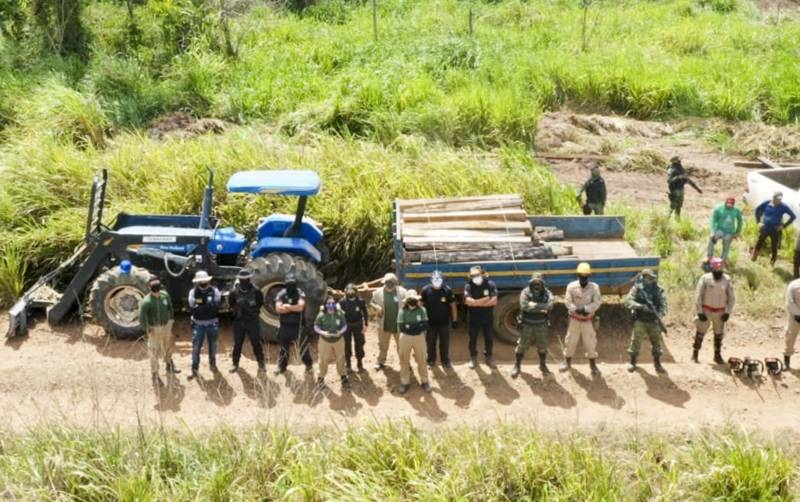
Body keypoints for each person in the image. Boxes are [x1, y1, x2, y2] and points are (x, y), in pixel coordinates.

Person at [561, 262, 602, 375]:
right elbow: (567, 301)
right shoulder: (571, 286)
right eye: (581, 275)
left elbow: (597, 302)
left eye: (586, 275)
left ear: (589, 275)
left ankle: (593, 365)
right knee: (570, 341)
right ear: (578, 275)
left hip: (588, 320)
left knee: (590, 343)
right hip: (574, 319)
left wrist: (586, 309)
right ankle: (567, 363)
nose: (583, 277)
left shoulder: (594, 287)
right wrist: (576, 309)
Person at [692, 257, 735, 364]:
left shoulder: (727, 280)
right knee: (700, 332)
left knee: (718, 334)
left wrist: (727, 312)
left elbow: (731, 298)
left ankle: (717, 355)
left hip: (720, 311)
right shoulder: (705, 278)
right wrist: (699, 311)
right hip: (706, 310)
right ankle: (695, 354)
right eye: (716, 269)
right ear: (712, 268)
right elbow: (698, 295)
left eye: (720, 269)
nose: (718, 271)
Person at [624, 269, 667, 374]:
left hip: (654, 320)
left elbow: (664, 306)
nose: (650, 280)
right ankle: (632, 362)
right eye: (648, 278)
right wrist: (641, 306)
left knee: (657, 343)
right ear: (643, 278)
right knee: (635, 341)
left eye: (652, 278)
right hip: (640, 319)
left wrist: (658, 314)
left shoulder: (659, 290)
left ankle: (657, 364)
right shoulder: (637, 288)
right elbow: (628, 301)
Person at [512, 273, 554, 378]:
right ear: (531, 282)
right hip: (527, 324)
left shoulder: (547, 293)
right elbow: (524, 306)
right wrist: (542, 308)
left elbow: (550, 306)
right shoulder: (525, 292)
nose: (537, 284)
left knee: (543, 346)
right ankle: (517, 365)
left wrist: (534, 305)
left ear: (542, 283)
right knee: (521, 346)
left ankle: (542, 365)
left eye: (539, 282)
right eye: (534, 282)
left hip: (541, 324)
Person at [139, 277, 179, 385]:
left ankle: (169, 365)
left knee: (168, 345)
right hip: (155, 328)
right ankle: (155, 375)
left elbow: (170, 307)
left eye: (157, 286)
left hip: (166, 326)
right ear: (150, 288)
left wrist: (171, 320)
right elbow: (142, 318)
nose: (156, 289)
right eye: (154, 287)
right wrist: (148, 328)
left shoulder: (165, 295)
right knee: (154, 351)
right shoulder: (146, 302)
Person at [228, 269, 265, 374]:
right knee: (237, 344)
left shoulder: (256, 291)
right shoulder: (234, 292)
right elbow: (231, 304)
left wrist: (251, 310)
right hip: (239, 322)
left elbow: (260, 302)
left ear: (249, 279)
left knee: (256, 343)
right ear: (239, 279)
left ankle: (261, 363)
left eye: (246, 279)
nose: (244, 281)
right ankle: (235, 364)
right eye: (242, 279)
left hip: (252, 321)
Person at [274, 273, 312, 375]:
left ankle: (309, 365)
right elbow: (278, 309)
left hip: (298, 327)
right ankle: (281, 367)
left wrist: (287, 306)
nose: (290, 285)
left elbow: (300, 307)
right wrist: (293, 308)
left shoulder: (300, 293)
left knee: (303, 348)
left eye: (292, 283)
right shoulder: (281, 294)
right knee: (283, 350)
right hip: (284, 327)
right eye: (289, 283)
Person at [420, 271, 457, 370]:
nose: (437, 280)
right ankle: (431, 360)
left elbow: (453, 306)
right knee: (430, 343)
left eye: (439, 278)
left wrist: (454, 320)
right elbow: (420, 305)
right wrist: (420, 320)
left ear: (442, 280)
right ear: (431, 279)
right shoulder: (425, 290)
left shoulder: (447, 290)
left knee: (444, 343)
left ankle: (445, 361)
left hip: (444, 323)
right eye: (435, 278)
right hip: (430, 323)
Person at [188, 270, 221, 379]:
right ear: (197, 282)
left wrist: (201, 307)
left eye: (204, 281)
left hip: (212, 324)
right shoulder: (192, 292)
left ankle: (213, 364)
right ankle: (194, 369)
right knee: (196, 347)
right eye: (201, 281)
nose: (203, 283)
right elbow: (193, 308)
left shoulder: (215, 291)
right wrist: (208, 306)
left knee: (213, 345)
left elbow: (216, 307)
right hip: (198, 325)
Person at [369, 273, 407, 371]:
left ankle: (404, 363)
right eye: (387, 283)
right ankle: (380, 361)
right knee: (383, 345)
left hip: (398, 324)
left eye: (391, 283)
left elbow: (409, 303)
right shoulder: (378, 292)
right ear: (384, 283)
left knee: (402, 346)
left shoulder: (402, 292)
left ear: (396, 283)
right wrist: (377, 307)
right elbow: (371, 302)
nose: (389, 285)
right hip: (383, 324)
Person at [397, 290, 431, 394]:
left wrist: (410, 327)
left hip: (419, 337)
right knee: (404, 360)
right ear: (407, 300)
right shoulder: (402, 311)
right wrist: (417, 326)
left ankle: (425, 381)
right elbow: (402, 327)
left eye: (414, 299)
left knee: (422, 359)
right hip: (405, 338)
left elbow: (425, 325)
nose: (412, 301)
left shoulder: (422, 310)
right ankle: (404, 382)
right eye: (410, 299)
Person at [464, 265, 498, 369]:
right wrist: (485, 299)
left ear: (482, 274)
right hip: (474, 318)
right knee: (472, 339)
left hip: (487, 318)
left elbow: (494, 301)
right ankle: (473, 357)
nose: (475, 277)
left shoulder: (490, 284)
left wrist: (476, 303)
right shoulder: (468, 286)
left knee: (489, 338)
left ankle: (489, 356)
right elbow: (468, 302)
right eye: (473, 276)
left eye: (477, 275)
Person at [314, 296, 349, 389]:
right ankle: (321, 378)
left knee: (341, 358)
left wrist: (341, 332)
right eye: (329, 303)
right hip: (325, 341)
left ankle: (343, 376)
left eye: (333, 303)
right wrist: (323, 332)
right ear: (325, 305)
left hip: (338, 340)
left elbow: (345, 325)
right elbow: (316, 327)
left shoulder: (339, 313)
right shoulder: (321, 315)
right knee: (323, 359)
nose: (331, 305)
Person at [752, 191, 795, 265]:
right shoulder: (767, 203)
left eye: (780, 199)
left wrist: (783, 226)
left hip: (775, 230)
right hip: (765, 228)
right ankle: (754, 257)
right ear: (773, 197)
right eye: (777, 199)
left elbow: (793, 216)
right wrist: (758, 222)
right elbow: (757, 210)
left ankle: (772, 261)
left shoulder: (783, 206)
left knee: (774, 246)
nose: (778, 201)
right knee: (759, 242)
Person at [338, 283, 368, 373]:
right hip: (346, 325)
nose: (350, 293)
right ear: (345, 292)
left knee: (359, 343)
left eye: (352, 291)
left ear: (356, 292)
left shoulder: (360, 301)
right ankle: (348, 365)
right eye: (348, 291)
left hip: (358, 324)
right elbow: (338, 314)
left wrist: (366, 324)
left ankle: (360, 363)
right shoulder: (342, 302)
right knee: (346, 344)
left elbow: (365, 312)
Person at [707, 197, 742, 263]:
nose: (729, 204)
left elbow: (740, 221)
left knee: (726, 246)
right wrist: (712, 231)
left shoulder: (736, 210)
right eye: (728, 202)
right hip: (719, 230)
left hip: (729, 232)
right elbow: (713, 221)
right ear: (725, 202)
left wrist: (738, 232)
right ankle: (709, 257)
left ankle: (722, 261)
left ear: (734, 203)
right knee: (711, 241)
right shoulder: (718, 209)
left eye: (731, 203)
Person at [783, 278, 800, 370]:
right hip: (795, 317)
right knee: (790, 338)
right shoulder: (794, 285)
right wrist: (798, 314)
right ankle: (786, 361)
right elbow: (789, 301)